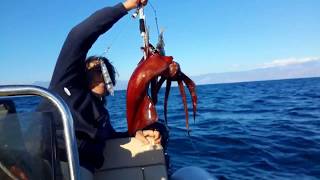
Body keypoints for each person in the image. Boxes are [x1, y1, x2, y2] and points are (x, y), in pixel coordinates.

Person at [38, 0, 168, 173]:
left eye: (106, 70)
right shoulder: (65, 84)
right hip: (51, 163)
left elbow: (109, 138)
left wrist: (136, 134)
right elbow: (78, 36)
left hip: (83, 169)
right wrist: (127, 6)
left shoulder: (102, 115)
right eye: (97, 68)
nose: (102, 72)